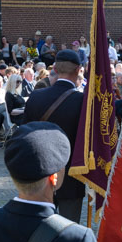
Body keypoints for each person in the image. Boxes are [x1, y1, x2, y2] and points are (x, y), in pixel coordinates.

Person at [22, 50, 86, 221]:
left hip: (39, 174)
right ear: (78, 69)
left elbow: (24, 134)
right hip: (72, 177)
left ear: (55, 69)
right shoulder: (84, 102)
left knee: (37, 228)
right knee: (68, 231)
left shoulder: (35, 97)